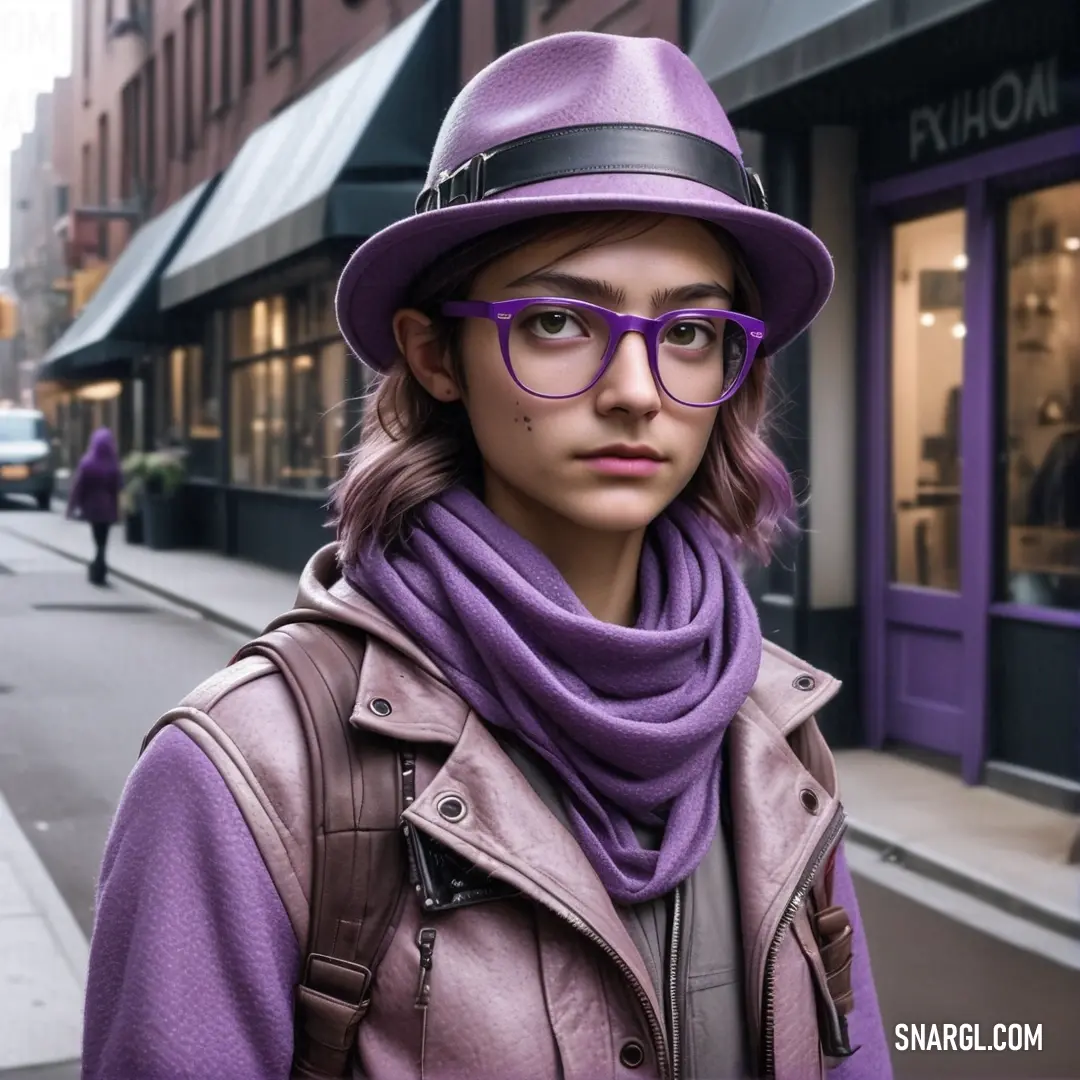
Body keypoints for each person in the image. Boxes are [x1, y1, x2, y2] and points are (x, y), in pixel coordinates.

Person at [81, 32, 891, 1080]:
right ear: (435, 356)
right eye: (559, 320)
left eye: (689, 331)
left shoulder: (778, 740)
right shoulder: (252, 772)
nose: (638, 391)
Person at [65, 427, 121, 586]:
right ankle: (100, 562)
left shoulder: (87, 463)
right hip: (108, 507)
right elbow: (117, 487)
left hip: (92, 508)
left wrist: (71, 507)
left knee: (97, 536)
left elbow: (78, 487)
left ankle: (98, 564)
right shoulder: (113, 465)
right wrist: (118, 510)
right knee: (104, 537)